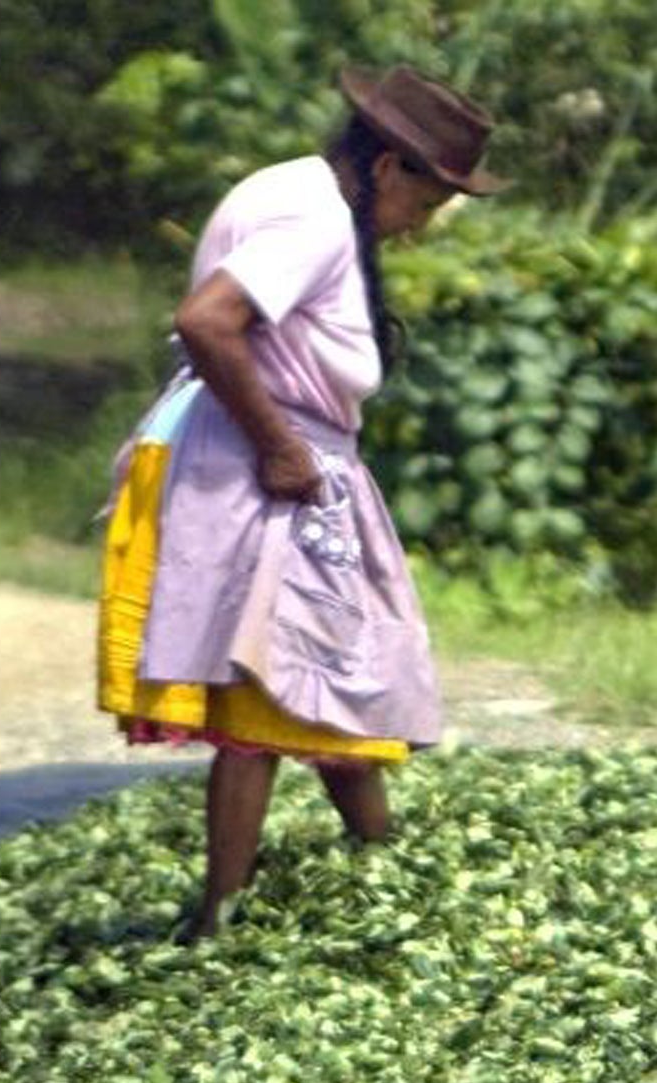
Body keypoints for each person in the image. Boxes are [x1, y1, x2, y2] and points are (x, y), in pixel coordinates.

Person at [96, 65, 505, 941]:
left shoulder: (300, 191)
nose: (417, 229)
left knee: (338, 671)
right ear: (391, 166)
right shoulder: (313, 218)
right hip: (263, 464)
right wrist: (281, 449)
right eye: (427, 205)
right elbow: (209, 320)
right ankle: (220, 918)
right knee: (266, 695)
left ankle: (381, 869)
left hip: (282, 461)